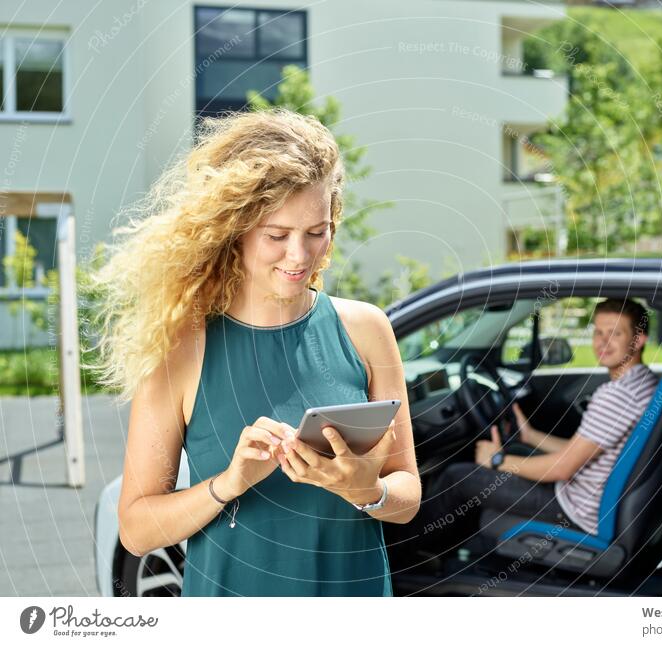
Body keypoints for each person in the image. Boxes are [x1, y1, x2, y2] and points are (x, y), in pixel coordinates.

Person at [92, 108, 421, 596]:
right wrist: (230, 482)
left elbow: (408, 495)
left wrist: (365, 490)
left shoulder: (367, 330)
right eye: (277, 235)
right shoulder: (182, 348)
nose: (300, 256)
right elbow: (137, 530)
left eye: (317, 232)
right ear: (235, 230)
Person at [387, 299, 659, 561]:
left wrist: (497, 460)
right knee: (517, 449)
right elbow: (582, 450)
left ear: (639, 339)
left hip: (576, 507)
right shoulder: (642, 383)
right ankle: (441, 552)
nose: (602, 342)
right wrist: (530, 436)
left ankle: (399, 555)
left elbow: (562, 468)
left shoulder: (617, 396)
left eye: (615, 333)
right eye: (598, 332)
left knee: (458, 477)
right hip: (589, 496)